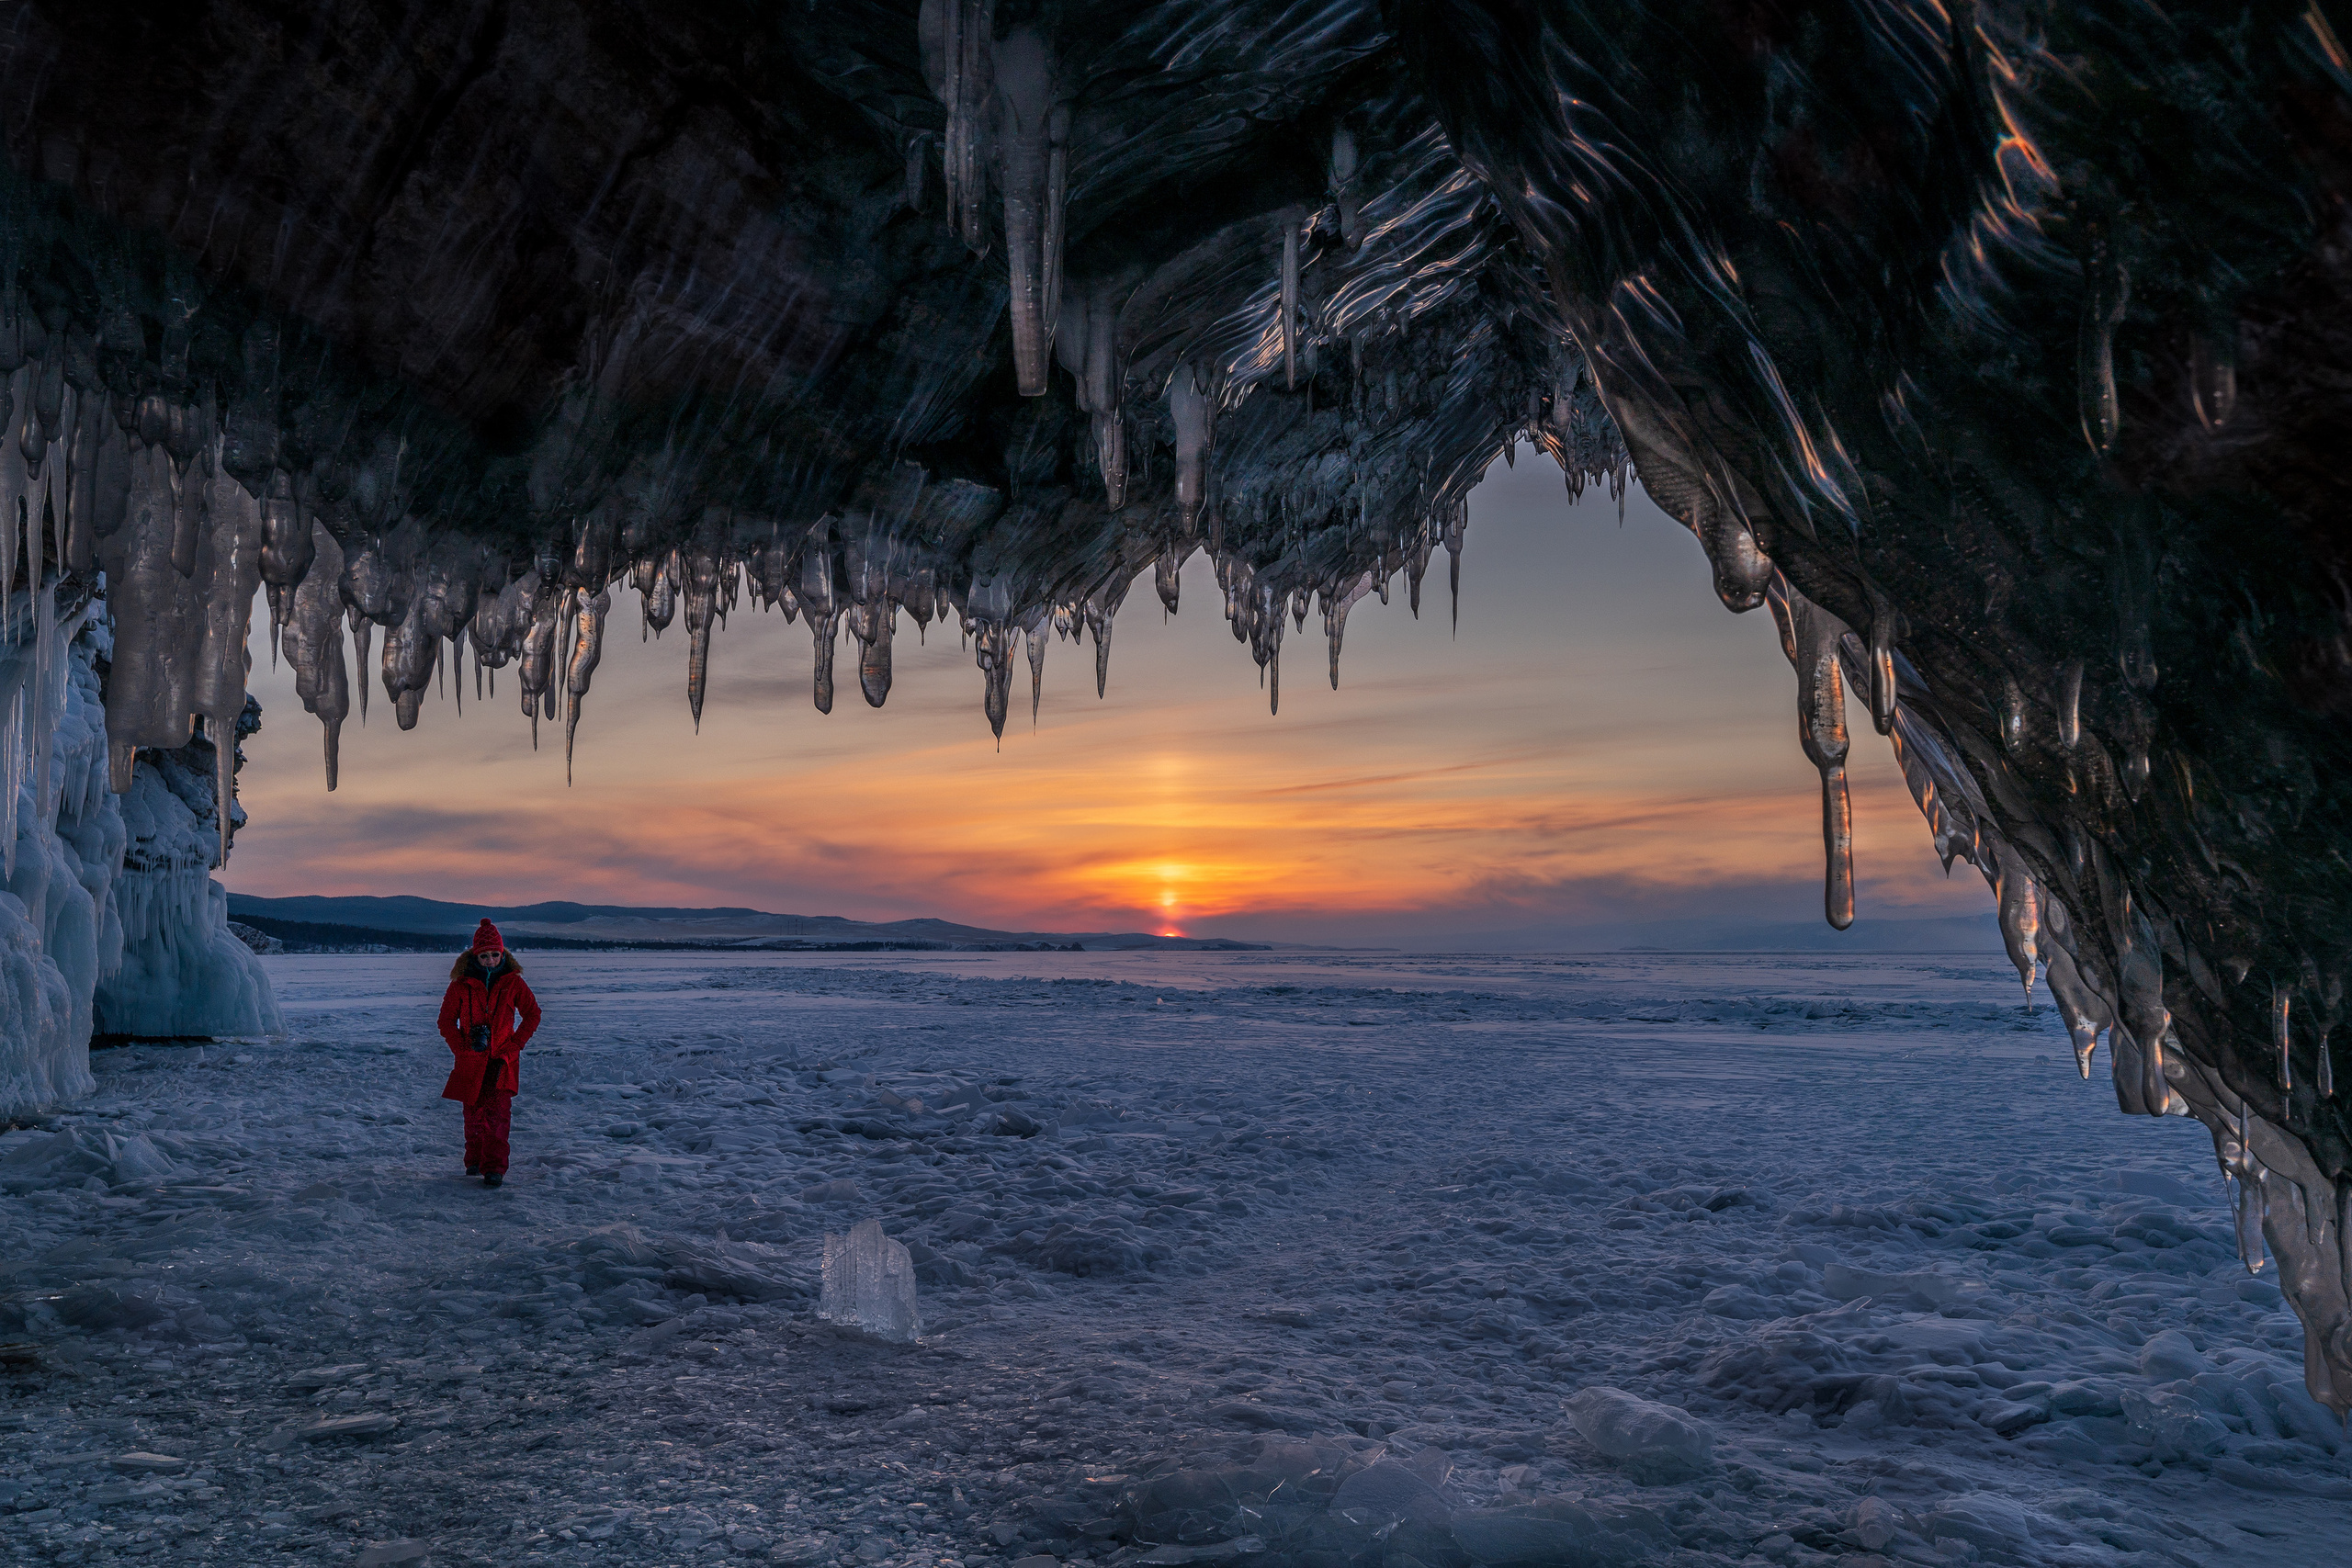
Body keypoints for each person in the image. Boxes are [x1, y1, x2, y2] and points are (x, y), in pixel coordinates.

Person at [436, 919, 541, 1187]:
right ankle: (473, 1161)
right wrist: (461, 1048)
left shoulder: (513, 984)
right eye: (484, 955)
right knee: (473, 1116)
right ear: (475, 956)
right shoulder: (460, 986)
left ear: (503, 953)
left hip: (502, 1061)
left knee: (498, 1116)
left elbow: (532, 1014)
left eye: (495, 954)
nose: (490, 960)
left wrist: (515, 1045)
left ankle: (494, 1168)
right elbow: (446, 1022)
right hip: (471, 1061)